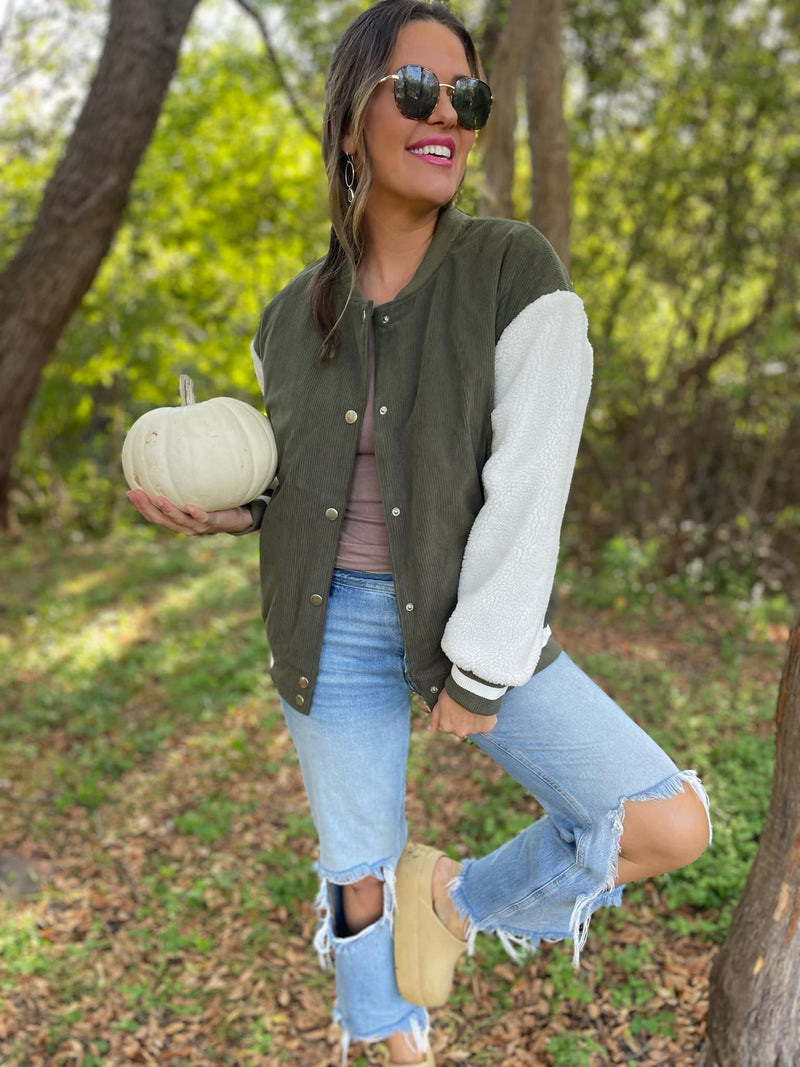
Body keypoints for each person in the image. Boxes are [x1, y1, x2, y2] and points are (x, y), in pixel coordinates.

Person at [128, 2, 712, 1063]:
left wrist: (479, 668)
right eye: (412, 89)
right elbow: (299, 489)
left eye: (466, 96)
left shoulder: (512, 270)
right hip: (327, 625)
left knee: (667, 821)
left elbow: (529, 483)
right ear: (349, 119)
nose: (444, 111)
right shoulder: (285, 317)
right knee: (354, 873)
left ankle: (454, 892)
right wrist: (227, 512)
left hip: (472, 617)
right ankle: (395, 1046)